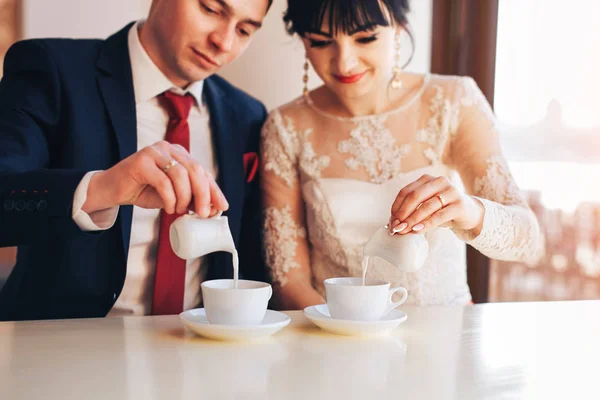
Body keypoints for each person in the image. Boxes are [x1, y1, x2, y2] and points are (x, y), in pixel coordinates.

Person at [261, 0, 544, 310]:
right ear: (303, 40)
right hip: (338, 341)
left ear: (397, 28)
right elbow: (290, 278)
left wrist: (466, 210)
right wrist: (343, 336)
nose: (344, 63)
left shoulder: (453, 102)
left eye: (365, 38)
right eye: (320, 42)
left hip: (446, 338)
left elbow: (528, 241)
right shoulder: (285, 127)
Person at [0, 0, 273, 321]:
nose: (224, 43)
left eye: (243, 30)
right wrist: (102, 188)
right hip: (65, 346)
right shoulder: (51, 69)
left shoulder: (247, 115)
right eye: (210, 9)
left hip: (201, 348)